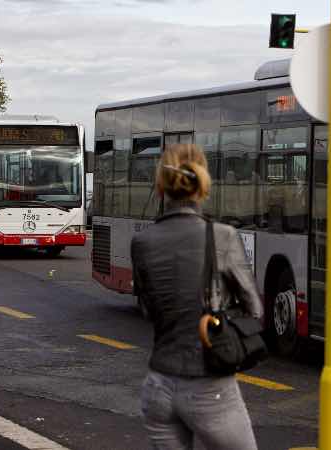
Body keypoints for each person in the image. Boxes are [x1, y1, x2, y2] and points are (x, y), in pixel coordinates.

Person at [131, 143, 262, 450]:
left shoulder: (142, 242)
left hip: (158, 387)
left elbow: (149, 310)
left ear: (160, 185)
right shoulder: (222, 236)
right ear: (204, 185)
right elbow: (255, 309)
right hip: (209, 387)